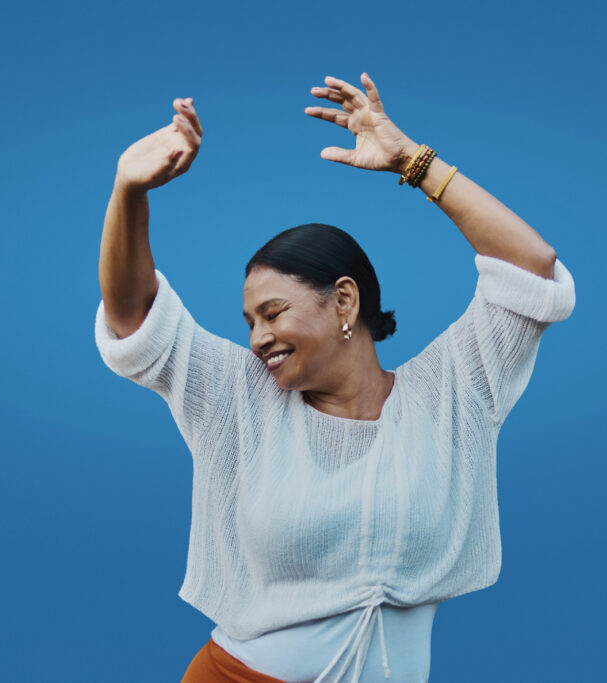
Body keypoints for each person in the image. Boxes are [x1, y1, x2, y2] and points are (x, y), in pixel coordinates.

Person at [95, 73, 575, 683]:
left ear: (344, 302)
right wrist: (128, 191)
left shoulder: (454, 393)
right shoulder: (239, 396)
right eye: (248, 322)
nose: (257, 338)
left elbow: (530, 269)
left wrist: (414, 162)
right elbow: (135, 318)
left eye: (273, 313)